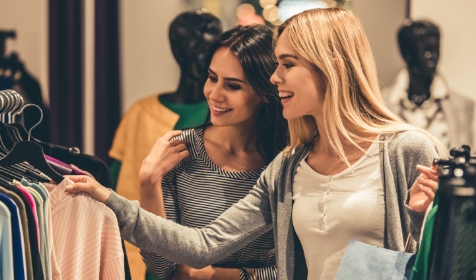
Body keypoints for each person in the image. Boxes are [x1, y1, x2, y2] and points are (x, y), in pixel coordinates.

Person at [65, 8, 448, 280]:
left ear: (328, 64)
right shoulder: (288, 167)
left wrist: (420, 217)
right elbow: (203, 244)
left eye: (287, 64)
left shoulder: (405, 149)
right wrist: (111, 199)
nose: (275, 77)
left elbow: (444, 258)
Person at [138, 24, 287, 280]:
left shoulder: (287, 162)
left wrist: (224, 276)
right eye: (212, 77)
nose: (214, 94)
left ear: (265, 91)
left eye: (233, 86)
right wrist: (148, 181)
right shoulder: (181, 151)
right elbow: (162, 268)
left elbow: (300, 267)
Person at [108, 11, 222, 280]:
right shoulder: (140, 113)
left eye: (209, 47)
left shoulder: (224, 115)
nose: (201, 57)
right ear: (177, 51)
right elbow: (116, 183)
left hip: (202, 261)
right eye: (193, 47)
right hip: (138, 253)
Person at [383, 19, 476, 149]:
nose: (433, 56)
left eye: (436, 49)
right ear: (408, 54)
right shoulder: (382, 104)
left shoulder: (463, 107)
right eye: (425, 50)